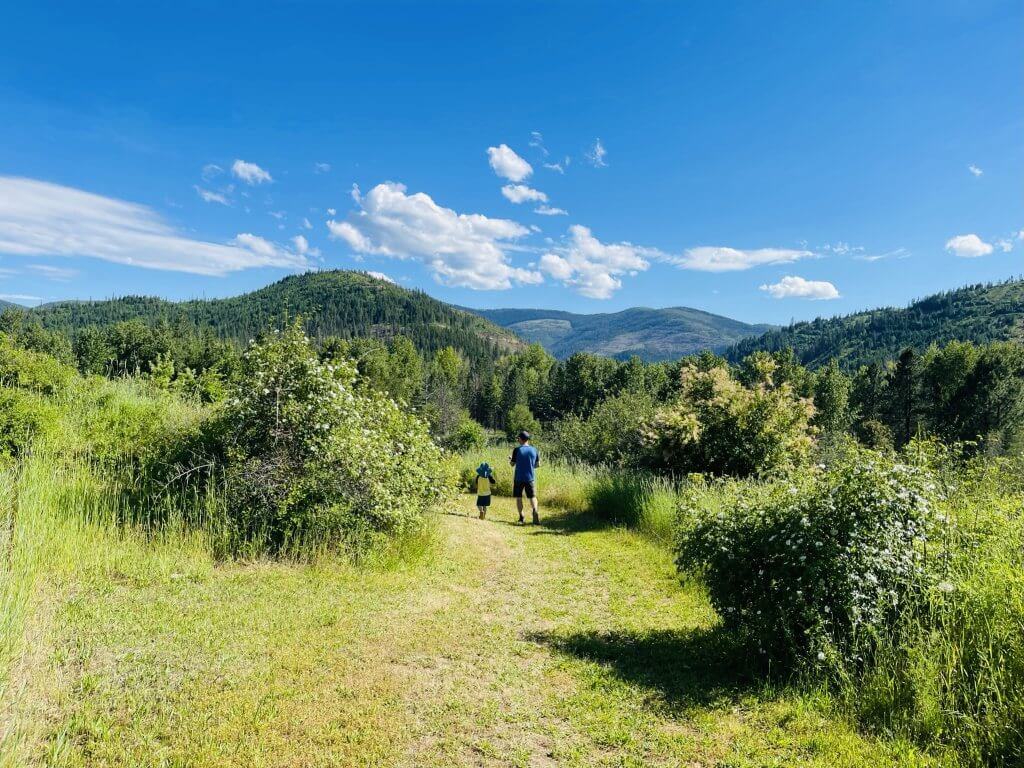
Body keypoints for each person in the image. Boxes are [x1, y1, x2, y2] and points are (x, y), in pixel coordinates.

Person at [510, 430, 540, 524]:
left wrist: (511, 460)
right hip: (530, 478)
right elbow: (538, 465)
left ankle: (521, 517)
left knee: (519, 498)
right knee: (532, 497)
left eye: (518, 438)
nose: (518, 440)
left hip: (519, 478)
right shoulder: (534, 450)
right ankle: (535, 510)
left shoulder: (517, 450)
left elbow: (512, 464)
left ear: (520, 439)